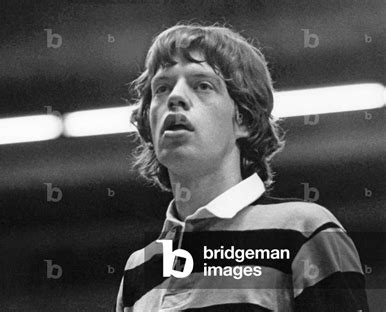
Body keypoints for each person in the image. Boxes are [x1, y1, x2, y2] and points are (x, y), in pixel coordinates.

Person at [114, 23, 369, 311]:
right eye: (161, 88)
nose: (175, 97)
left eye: (203, 85)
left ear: (244, 118)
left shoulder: (303, 231)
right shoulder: (140, 267)